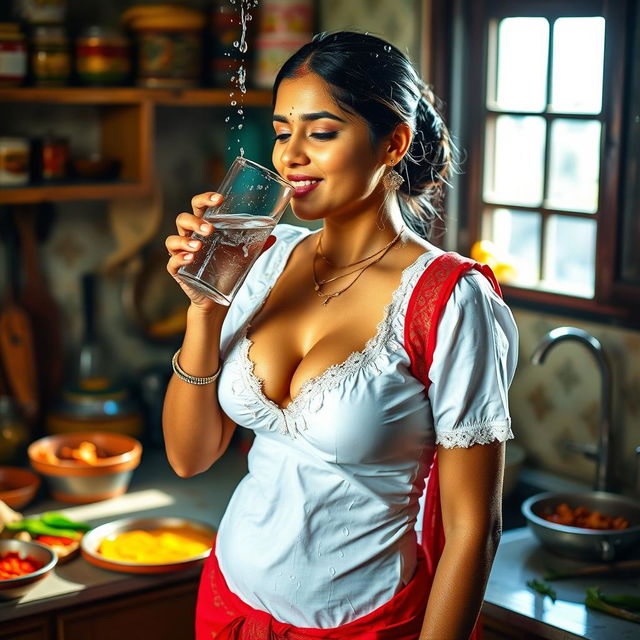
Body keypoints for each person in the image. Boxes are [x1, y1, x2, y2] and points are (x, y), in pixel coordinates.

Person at [163, 31, 518, 640]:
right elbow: (190, 457)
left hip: (368, 624)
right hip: (227, 608)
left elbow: (471, 530)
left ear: (393, 143)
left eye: (321, 133)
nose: (290, 156)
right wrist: (205, 307)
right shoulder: (264, 256)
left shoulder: (451, 301)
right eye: (281, 132)